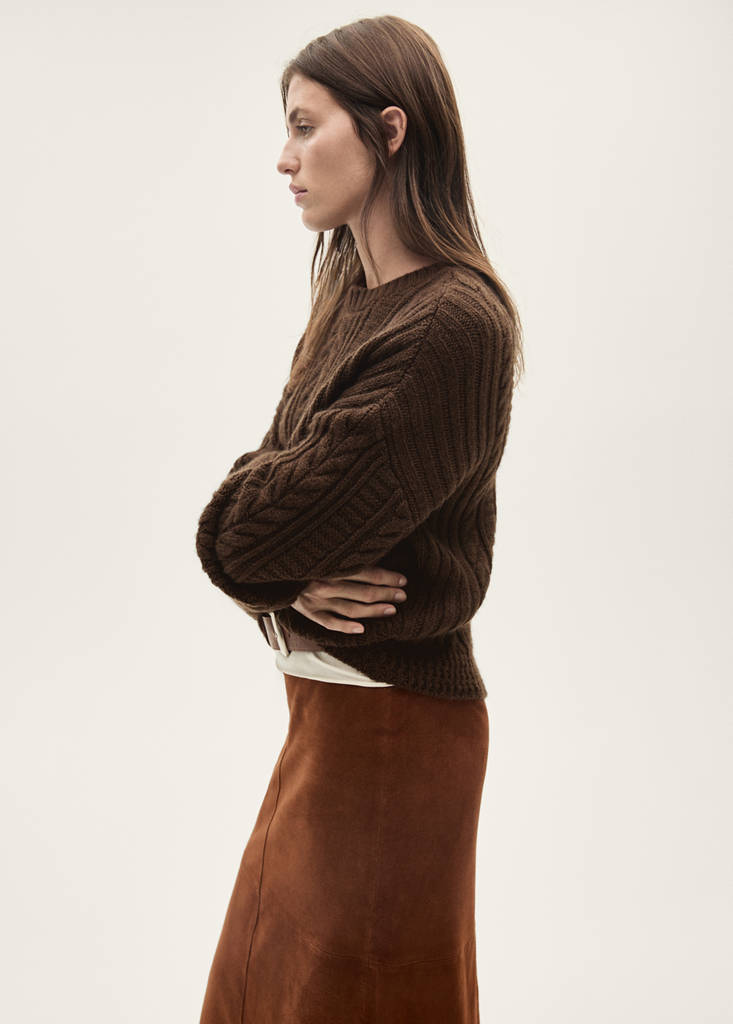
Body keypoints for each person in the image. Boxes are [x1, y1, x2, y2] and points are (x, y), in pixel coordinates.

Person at [195, 14, 524, 1023]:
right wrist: (289, 577)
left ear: (388, 130)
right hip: (325, 722)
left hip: (392, 736)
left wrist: (270, 555)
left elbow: (244, 531)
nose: (283, 158)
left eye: (306, 126)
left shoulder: (451, 325)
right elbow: (260, 519)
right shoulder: (352, 298)